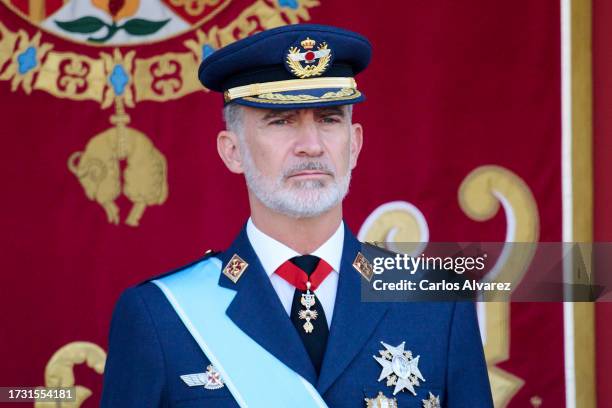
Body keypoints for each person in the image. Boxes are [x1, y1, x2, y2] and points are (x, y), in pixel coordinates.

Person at [101, 24, 493, 407]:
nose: (311, 146)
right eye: (281, 121)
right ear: (232, 151)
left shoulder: (438, 306)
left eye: (329, 119)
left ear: (354, 144)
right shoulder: (161, 316)